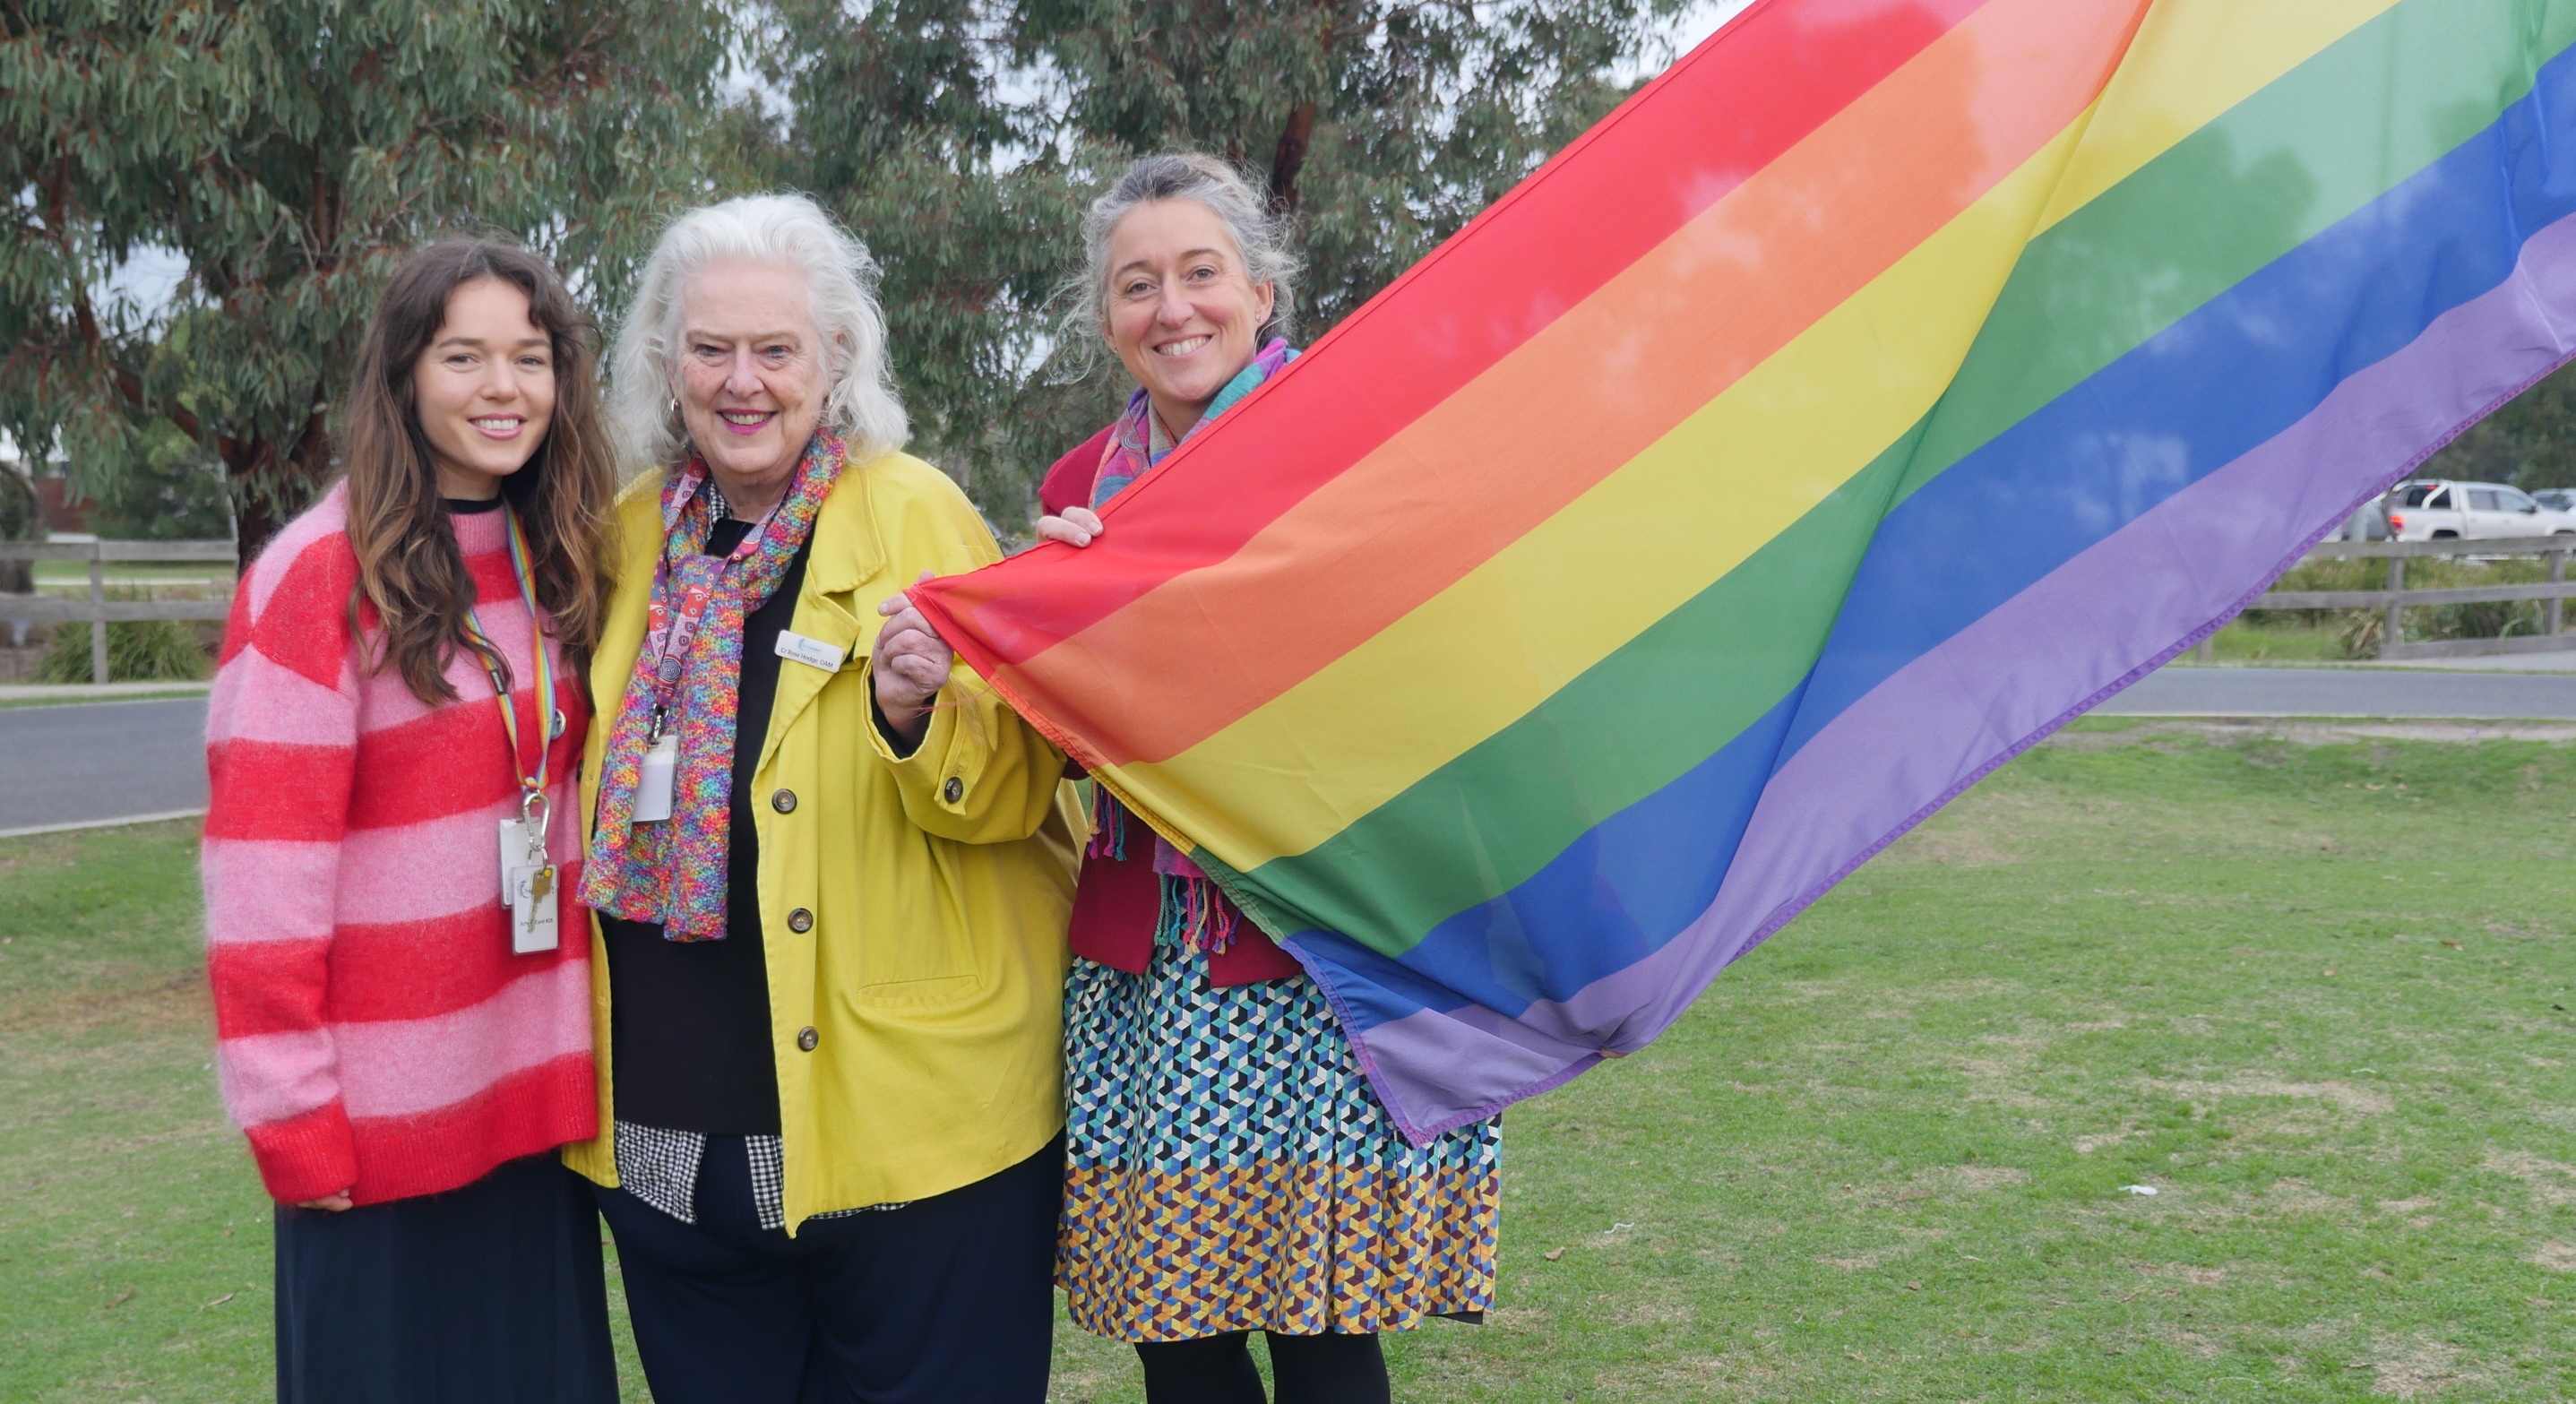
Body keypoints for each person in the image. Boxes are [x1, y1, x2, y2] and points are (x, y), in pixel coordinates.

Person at [568, 192, 1082, 1404]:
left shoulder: (917, 515)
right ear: (665, 363)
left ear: (835, 363)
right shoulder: (623, 538)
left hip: (914, 1145)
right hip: (668, 1151)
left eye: (776, 350)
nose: (742, 382)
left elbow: (1023, 792)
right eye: (710, 349)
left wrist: (914, 715)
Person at [1032, 154, 1503, 1403]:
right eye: (1138, 285)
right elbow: (1066, 735)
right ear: (1106, 317)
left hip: (1321, 951)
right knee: (1174, 1333)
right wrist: (1050, 614)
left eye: (1200, 274)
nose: (1172, 308)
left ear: (1261, 288)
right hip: (1151, 967)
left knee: (1323, 1324)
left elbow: (1439, 674)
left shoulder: (1356, 448)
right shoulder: (1079, 490)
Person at [202, 238, 619, 1402]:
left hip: (533, 1126)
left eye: (530, 358)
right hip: (375, 1143)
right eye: (465, 356)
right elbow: (260, 889)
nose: (504, 388)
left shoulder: (560, 560)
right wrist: (295, 1127)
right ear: (403, 375)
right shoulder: (319, 575)